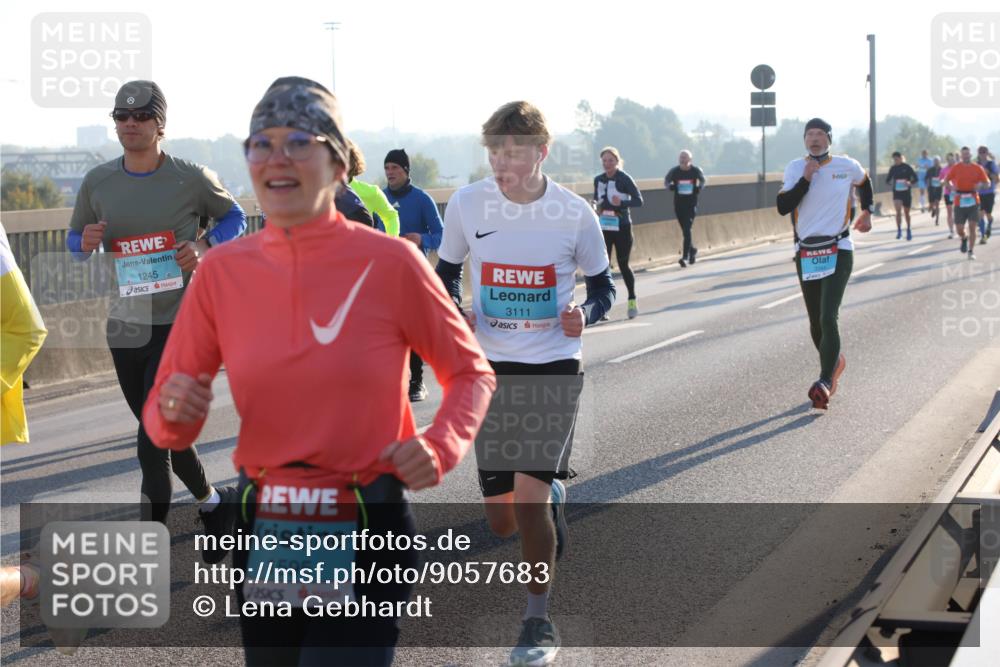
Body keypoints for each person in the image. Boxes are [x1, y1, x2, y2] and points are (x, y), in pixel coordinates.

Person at [142, 76, 495, 666]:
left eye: (298, 143)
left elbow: (470, 372)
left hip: (366, 518)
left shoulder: (390, 263)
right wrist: (174, 414)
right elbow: (164, 422)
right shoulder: (223, 274)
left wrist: (439, 445)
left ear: (336, 164)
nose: (277, 159)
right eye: (262, 144)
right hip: (268, 524)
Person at [436, 100, 615, 666]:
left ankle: (538, 620)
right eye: (494, 151)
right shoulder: (466, 204)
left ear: (542, 151)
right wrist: (456, 309)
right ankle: (553, 493)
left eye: (513, 151)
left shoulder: (573, 213)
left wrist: (586, 313)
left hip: (553, 365)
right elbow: (441, 277)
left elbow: (604, 287)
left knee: (530, 504)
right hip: (489, 368)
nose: (501, 162)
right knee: (502, 515)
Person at [67, 80, 246, 530]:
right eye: (121, 117)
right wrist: (82, 242)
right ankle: (211, 502)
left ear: (160, 124)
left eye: (141, 116)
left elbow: (236, 217)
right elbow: (75, 241)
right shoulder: (98, 181)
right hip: (127, 327)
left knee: (151, 439)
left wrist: (204, 246)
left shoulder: (191, 177)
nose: (130, 124)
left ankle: (148, 543)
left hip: (181, 324)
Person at [776, 118, 873, 410]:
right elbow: (783, 207)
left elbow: (865, 182)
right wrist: (806, 178)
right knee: (816, 321)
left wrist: (867, 211)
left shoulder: (846, 166)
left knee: (829, 315)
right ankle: (835, 363)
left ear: (829, 138)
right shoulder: (795, 168)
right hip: (806, 251)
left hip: (839, 247)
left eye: (819, 134)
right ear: (805, 140)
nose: (814, 139)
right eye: (810, 134)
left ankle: (824, 382)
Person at [383, 148, 444, 402]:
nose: (390, 173)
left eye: (395, 168)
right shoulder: (380, 198)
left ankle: (417, 382)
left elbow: (442, 235)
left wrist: (422, 238)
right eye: (387, 168)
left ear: (406, 170)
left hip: (415, 273)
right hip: (386, 275)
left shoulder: (422, 199)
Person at [593, 146, 643, 319]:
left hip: (622, 227)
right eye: (605, 161)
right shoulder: (598, 179)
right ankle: (603, 307)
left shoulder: (624, 179)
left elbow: (639, 201)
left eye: (611, 161)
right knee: (603, 266)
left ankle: (632, 299)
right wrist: (594, 207)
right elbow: (597, 199)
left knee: (623, 265)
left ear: (617, 161)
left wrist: (621, 203)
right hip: (605, 227)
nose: (607, 164)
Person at [945, 146, 991, 260]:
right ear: (961, 156)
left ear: (970, 155)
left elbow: (987, 182)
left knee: (972, 226)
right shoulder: (956, 168)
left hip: (973, 200)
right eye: (964, 154)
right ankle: (964, 238)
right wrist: (950, 187)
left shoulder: (977, 168)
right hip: (959, 200)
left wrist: (981, 185)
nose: (966, 156)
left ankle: (971, 251)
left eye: (967, 154)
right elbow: (946, 180)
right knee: (959, 229)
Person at [347, 140, 400, 237]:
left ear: (352, 162)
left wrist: (391, 245)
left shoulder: (371, 192)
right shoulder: (318, 193)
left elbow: (391, 216)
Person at [665, 150, 707, 266]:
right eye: (681, 158)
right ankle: (692, 250)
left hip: (691, 204)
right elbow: (666, 181)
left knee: (687, 229)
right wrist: (671, 187)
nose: (682, 160)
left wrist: (699, 188)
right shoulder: (674, 171)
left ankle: (685, 256)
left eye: (685, 158)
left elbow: (703, 180)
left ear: (690, 160)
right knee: (685, 231)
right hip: (679, 205)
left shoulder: (695, 170)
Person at [886, 151, 918, 240]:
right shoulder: (893, 168)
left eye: (896, 159)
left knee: (906, 212)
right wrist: (890, 182)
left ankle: (908, 229)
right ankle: (899, 231)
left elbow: (915, 178)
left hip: (906, 192)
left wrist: (909, 182)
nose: (895, 161)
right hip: (897, 192)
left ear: (900, 158)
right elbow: (887, 180)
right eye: (894, 160)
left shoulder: (907, 167)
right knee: (898, 211)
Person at [975, 146, 998, 244]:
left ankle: (989, 225)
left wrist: (988, 173)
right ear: (978, 153)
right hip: (979, 193)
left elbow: (997, 179)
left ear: (987, 153)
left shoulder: (991, 164)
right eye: (981, 152)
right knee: (980, 214)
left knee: (988, 214)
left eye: (984, 152)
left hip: (989, 192)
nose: (982, 154)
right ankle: (983, 235)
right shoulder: (976, 165)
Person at [940, 152, 958, 239]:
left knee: (958, 211)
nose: (951, 161)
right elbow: (941, 181)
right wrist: (944, 182)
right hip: (948, 193)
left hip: (959, 192)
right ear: (947, 160)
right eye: (949, 159)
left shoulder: (959, 168)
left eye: (952, 159)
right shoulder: (943, 170)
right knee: (950, 212)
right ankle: (951, 231)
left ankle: (960, 227)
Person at [926, 156, 943, 226]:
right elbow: (926, 178)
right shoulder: (930, 170)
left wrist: (942, 182)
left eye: (937, 161)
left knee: (937, 203)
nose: (936, 162)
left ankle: (937, 220)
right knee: (931, 205)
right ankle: (933, 210)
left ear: (939, 162)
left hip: (939, 188)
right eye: (935, 161)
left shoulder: (942, 169)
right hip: (931, 188)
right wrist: (928, 186)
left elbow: (945, 177)